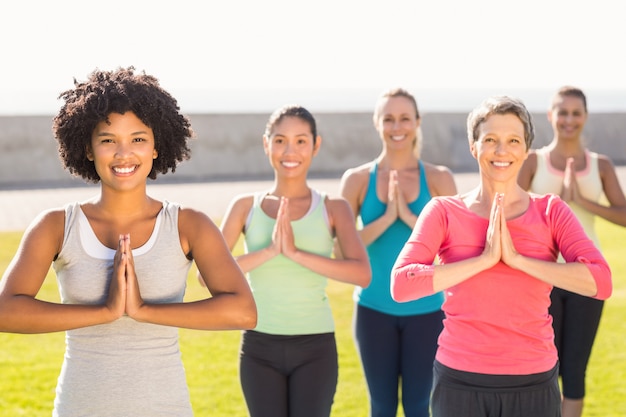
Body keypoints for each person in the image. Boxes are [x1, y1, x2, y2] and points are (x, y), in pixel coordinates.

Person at [0, 67, 257, 417]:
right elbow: (6, 311)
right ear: (88, 149)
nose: (124, 154)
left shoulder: (187, 225)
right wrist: (104, 312)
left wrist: (143, 311)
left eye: (138, 139)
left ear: (156, 148)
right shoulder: (56, 226)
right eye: (108, 140)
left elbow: (243, 311)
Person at [390, 95, 612, 417]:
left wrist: (519, 260)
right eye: (490, 140)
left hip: (533, 382)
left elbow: (601, 282)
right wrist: (483, 260)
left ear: (525, 150)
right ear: (473, 146)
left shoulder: (551, 211)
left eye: (513, 141)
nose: (501, 151)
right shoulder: (443, 211)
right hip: (460, 383)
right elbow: (401, 285)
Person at [216, 104, 371, 417]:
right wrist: (270, 252)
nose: (290, 150)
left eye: (301, 140)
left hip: (315, 347)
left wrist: (297, 254)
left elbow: (362, 274)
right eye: (280, 140)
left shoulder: (334, 208)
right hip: (259, 346)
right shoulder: (245, 207)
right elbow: (209, 277)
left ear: (316, 145)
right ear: (266, 144)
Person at [339, 88, 457, 417]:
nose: (397, 126)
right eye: (388, 118)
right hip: (373, 309)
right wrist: (387, 219)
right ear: (378, 124)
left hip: (428, 311)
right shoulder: (357, 180)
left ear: (417, 122)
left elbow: (455, 248)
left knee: (420, 406)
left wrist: (408, 217)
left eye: (405, 118)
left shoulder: (438, 178)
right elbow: (340, 248)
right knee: (382, 407)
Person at [518, 86, 626, 417]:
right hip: (542, 277)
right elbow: (511, 211)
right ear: (550, 116)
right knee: (541, 368)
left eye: (575, 112)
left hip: (587, 278)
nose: (568, 119)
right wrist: (557, 205)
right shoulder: (533, 161)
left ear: (585, 117)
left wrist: (582, 201)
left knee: (575, 372)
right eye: (562, 112)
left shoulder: (601, 165)